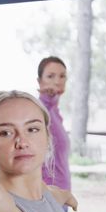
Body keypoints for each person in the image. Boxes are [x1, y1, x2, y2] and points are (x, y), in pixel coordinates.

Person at [37, 56, 70, 192]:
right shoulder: (38, 111)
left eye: (62, 76)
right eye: (51, 76)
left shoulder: (54, 111)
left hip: (62, 195)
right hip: (48, 196)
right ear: (39, 81)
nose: (57, 81)